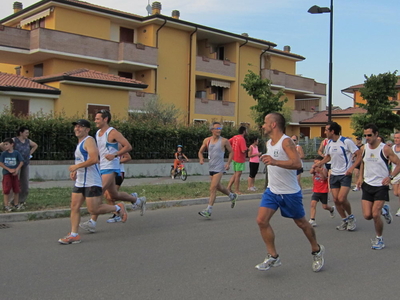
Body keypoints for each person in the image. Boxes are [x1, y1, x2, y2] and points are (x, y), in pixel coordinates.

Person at [255, 113, 324, 273]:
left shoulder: (286, 142)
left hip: (290, 193)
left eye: (265, 123)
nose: (262, 126)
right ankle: (273, 256)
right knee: (261, 220)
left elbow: (297, 163)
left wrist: (274, 161)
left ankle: (317, 250)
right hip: (272, 191)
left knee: (301, 223)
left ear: (273, 125)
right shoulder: (269, 143)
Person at [58, 119, 128, 244]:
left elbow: (94, 159)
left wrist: (77, 167)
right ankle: (74, 234)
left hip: (91, 181)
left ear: (87, 129)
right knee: (74, 207)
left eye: (80, 127)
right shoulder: (80, 143)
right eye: (76, 127)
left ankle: (118, 207)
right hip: (80, 181)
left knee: (94, 210)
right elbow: (81, 160)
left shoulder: (89, 140)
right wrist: (75, 171)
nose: (77, 129)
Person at [80, 110, 146, 233]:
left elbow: (128, 146)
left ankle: (92, 222)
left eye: (98, 118)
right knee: (113, 195)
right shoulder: (98, 133)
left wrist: (115, 155)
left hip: (111, 167)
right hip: (101, 166)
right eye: (95, 118)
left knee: (99, 191)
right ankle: (137, 200)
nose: (95, 121)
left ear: (105, 119)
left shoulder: (113, 132)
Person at [355, 123, 400, 250]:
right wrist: (360, 178)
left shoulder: (384, 149)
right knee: (367, 216)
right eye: (365, 135)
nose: (367, 137)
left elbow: (398, 163)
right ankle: (385, 210)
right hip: (368, 184)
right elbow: (363, 163)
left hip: (381, 185)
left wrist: (390, 177)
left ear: (376, 134)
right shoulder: (364, 148)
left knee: (375, 214)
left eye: (369, 135)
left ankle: (379, 239)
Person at [314, 122, 360, 231]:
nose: (325, 132)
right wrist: (320, 163)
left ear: (332, 131)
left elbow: (359, 155)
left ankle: (351, 218)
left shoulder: (346, 142)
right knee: (336, 199)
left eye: (326, 130)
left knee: (341, 198)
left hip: (345, 174)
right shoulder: (329, 143)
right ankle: (344, 220)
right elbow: (328, 157)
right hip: (334, 174)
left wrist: (351, 168)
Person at [198, 122, 238, 218]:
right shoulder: (207, 140)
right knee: (218, 187)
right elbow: (200, 151)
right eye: (217, 128)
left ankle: (209, 210)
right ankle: (232, 195)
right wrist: (201, 158)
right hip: (211, 167)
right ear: (212, 130)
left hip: (219, 167)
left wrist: (228, 163)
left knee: (212, 188)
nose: (219, 130)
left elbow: (231, 152)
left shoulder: (224, 141)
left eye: (220, 128)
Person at [0, 126, 38, 209]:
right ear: (21, 133)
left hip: (25, 163)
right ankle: (9, 202)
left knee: (24, 183)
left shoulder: (28, 141)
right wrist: (7, 151)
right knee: (13, 183)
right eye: (26, 132)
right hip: (15, 165)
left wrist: (30, 154)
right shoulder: (14, 140)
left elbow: (35, 145)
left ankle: (20, 201)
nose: (27, 134)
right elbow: (3, 144)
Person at [105, 145, 132, 223]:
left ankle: (130, 199)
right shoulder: (102, 145)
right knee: (107, 195)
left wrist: (116, 161)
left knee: (110, 196)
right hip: (107, 172)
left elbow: (128, 157)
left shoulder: (117, 145)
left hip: (119, 172)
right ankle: (116, 213)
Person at [308, 156, 335, 227]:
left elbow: (324, 177)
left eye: (317, 163)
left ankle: (331, 209)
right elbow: (310, 172)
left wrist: (320, 171)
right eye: (314, 163)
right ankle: (312, 219)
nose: (315, 164)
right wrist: (313, 168)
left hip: (323, 190)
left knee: (325, 206)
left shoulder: (324, 169)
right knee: (313, 204)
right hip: (316, 190)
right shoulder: (314, 169)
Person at [0, 138, 24, 212]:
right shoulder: (4, 154)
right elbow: (1, 163)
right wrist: (8, 169)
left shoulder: (16, 153)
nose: (5, 146)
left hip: (14, 174)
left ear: (12, 144)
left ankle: (16, 204)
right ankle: (6, 205)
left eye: (6, 144)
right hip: (7, 174)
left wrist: (16, 170)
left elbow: (21, 161)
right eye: (4, 145)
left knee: (16, 189)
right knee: (6, 189)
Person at [227, 126, 248, 194]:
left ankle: (229, 187)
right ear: (244, 131)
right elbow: (243, 150)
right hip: (239, 158)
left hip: (234, 157)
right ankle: (237, 190)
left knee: (235, 173)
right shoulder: (242, 139)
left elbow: (228, 142)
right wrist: (248, 149)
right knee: (238, 174)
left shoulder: (235, 137)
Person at [391, 132, 400, 216]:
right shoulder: (392, 148)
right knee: (396, 193)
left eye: (398, 138)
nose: (396, 139)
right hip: (395, 173)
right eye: (395, 138)